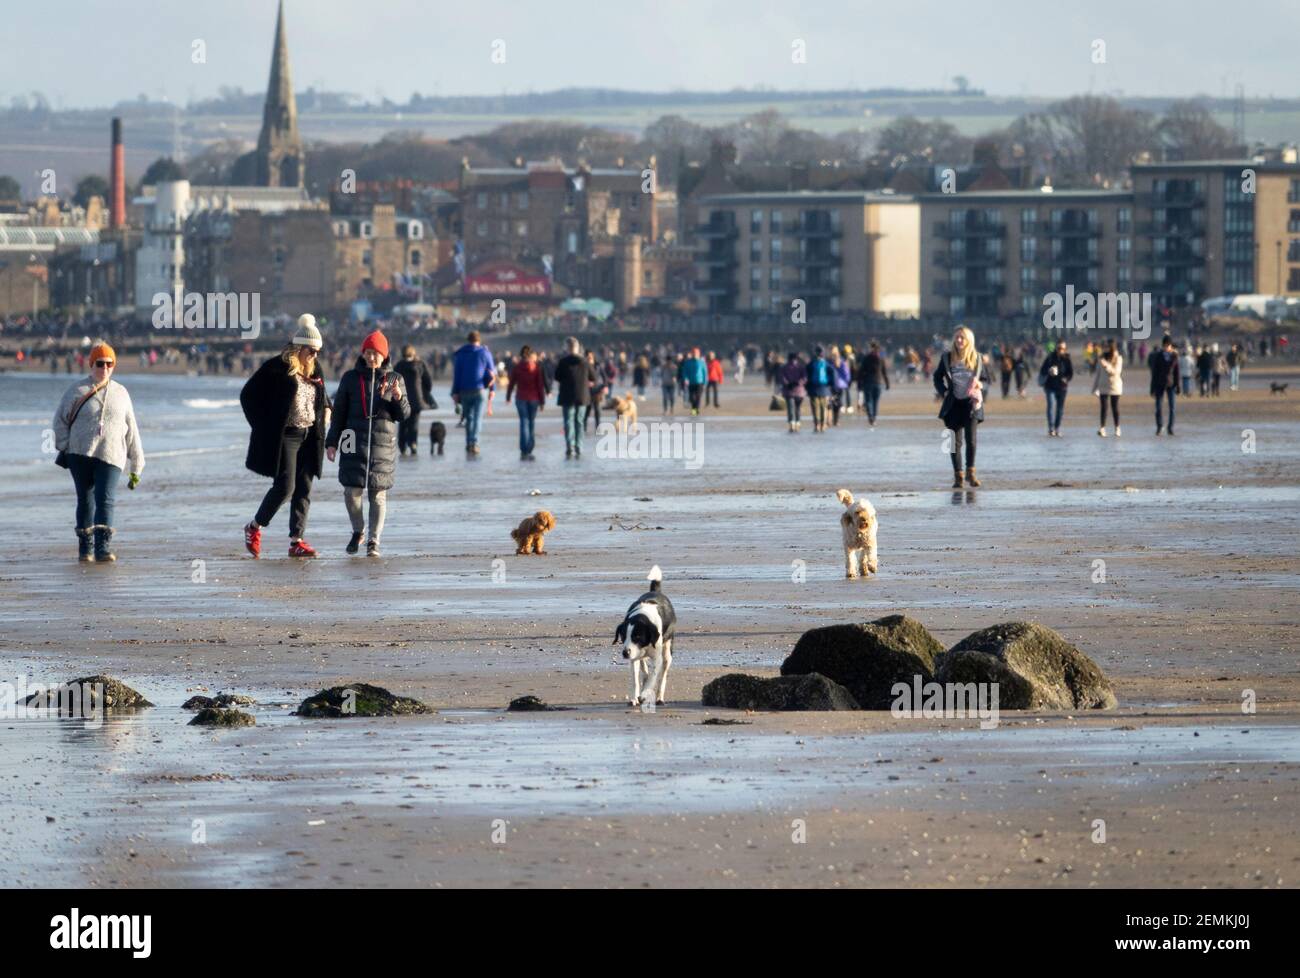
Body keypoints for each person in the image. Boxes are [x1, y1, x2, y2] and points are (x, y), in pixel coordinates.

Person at [240, 315, 330, 559]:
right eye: (311, 351)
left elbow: (322, 395)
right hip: (287, 436)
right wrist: (262, 426)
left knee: (304, 488)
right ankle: (254, 527)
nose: (315, 356)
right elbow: (247, 396)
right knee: (285, 487)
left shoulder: (315, 369)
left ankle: (296, 541)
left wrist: (327, 409)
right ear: (299, 348)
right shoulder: (276, 368)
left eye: (318, 352)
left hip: (310, 435)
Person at [53, 341, 145, 562]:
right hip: (80, 455)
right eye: (99, 363)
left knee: (106, 500)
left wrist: (137, 465)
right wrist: (65, 446)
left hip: (112, 456)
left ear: (114, 365)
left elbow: (131, 428)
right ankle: (86, 549)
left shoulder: (122, 393)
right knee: (85, 500)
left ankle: (103, 548)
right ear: (91, 364)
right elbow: (59, 421)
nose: (104, 368)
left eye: (109, 363)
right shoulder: (76, 390)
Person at [325, 330, 409, 557]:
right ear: (363, 354)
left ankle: (374, 541)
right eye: (368, 353)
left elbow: (403, 416)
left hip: (383, 444)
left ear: (384, 355)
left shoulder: (395, 379)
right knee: (351, 493)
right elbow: (339, 413)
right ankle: (358, 530)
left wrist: (398, 398)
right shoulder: (350, 378)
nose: (372, 358)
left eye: (376, 354)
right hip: (353, 441)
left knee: (378, 495)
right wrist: (331, 442)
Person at [933, 326, 990, 488]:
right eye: (957, 337)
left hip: (971, 405)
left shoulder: (977, 358)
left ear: (969, 340)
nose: (959, 340)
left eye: (962, 338)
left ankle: (971, 474)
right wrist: (943, 391)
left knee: (971, 440)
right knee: (953, 442)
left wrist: (980, 384)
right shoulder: (946, 358)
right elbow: (937, 377)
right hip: (953, 405)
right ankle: (958, 476)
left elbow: (986, 380)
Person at [450, 330, 495, 455]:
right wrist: (493, 389)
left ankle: (469, 443)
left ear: (468, 340)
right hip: (480, 389)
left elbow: (457, 375)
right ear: (479, 340)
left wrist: (455, 392)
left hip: (464, 390)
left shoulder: (461, 354)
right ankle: (474, 443)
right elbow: (492, 374)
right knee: (477, 418)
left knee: (469, 418)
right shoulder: (485, 353)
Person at [554, 336, 597, 458]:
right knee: (579, 422)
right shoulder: (585, 362)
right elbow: (594, 377)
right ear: (578, 348)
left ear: (568, 348)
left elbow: (557, 377)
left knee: (568, 422)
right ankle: (579, 446)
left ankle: (569, 446)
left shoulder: (563, 362)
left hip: (567, 396)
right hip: (582, 395)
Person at [506, 345, 548, 460]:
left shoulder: (517, 367)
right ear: (530, 355)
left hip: (521, 398)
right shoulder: (535, 368)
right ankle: (529, 449)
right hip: (534, 399)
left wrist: (508, 396)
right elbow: (540, 386)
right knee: (531, 423)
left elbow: (511, 383)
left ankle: (524, 450)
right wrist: (542, 401)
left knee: (523, 422)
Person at [392, 344, 434, 456]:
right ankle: (413, 444)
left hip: (402, 399)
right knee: (414, 424)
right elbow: (428, 383)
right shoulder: (419, 364)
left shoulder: (399, 366)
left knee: (403, 424)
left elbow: (392, 381)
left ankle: (402, 446)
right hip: (417, 400)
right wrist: (425, 392)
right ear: (413, 353)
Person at [1039, 340, 1074, 436]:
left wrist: (1066, 379)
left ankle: (1057, 428)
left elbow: (1070, 373)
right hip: (1050, 386)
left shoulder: (1067, 359)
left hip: (1062, 387)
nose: (1060, 350)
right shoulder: (1050, 358)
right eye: (1059, 348)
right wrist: (1049, 371)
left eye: (1063, 348)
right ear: (1056, 348)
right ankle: (1051, 428)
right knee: (1050, 405)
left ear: (1065, 349)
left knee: (1060, 408)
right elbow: (1042, 370)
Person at [1148, 333, 1180, 436]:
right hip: (1159, 383)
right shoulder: (1158, 356)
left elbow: (1177, 372)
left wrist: (1178, 385)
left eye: (1168, 345)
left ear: (1171, 346)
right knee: (1158, 407)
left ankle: (1170, 428)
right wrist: (1152, 388)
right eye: (1165, 345)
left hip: (1171, 384)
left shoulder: (1174, 357)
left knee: (1172, 407)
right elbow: (1154, 372)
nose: (1166, 347)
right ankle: (1159, 426)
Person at [1092, 338, 1123, 437]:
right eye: (1104, 347)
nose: (1105, 349)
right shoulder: (1101, 358)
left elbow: (1116, 372)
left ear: (1112, 348)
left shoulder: (1118, 358)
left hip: (1115, 386)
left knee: (1115, 407)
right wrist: (1094, 387)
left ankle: (1117, 428)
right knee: (1104, 408)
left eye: (1107, 347)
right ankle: (1102, 428)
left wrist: (1106, 366)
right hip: (1103, 385)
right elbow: (1098, 373)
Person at [857, 341, 890, 427]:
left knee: (869, 401)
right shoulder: (881, 359)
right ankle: (874, 418)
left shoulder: (866, 358)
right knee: (875, 402)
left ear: (871, 348)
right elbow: (884, 372)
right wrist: (887, 383)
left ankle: (871, 418)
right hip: (878, 383)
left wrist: (859, 382)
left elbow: (861, 371)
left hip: (868, 383)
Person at [806, 345, 833, 433]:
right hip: (824, 389)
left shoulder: (811, 364)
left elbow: (807, 376)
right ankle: (823, 425)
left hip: (813, 389)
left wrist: (807, 388)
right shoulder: (826, 363)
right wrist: (831, 386)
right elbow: (833, 375)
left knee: (815, 408)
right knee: (823, 408)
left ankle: (816, 425)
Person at [779, 351, 806, 432]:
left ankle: (792, 425)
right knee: (797, 408)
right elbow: (805, 378)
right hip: (799, 391)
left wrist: (788, 384)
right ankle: (797, 424)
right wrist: (798, 383)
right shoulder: (801, 367)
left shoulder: (784, 367)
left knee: (791, 408)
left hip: (789, 391)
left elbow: (782, 378)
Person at [829, 346, 852, 426]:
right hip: (841, 385)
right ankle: (836, 420)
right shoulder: (842, 362)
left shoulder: (829, 362)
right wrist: (846, 382)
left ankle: (831, 419)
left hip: (832, 385)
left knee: (832, 402)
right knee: (838, 401)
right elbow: (846, 374)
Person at [681, 347, 707, 415]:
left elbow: (705, 373)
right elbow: (685, 372)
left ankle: (695, 411)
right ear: (692, 354)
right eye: (693, 353)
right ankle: (694, 410)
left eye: (696, 353)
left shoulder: (702, 362)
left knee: (698, 397)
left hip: (700, 382)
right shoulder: (687, 362)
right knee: (692, 398)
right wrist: (686, 379)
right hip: (691, 382)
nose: (695, 354)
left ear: (699, 354)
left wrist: (705, 382)